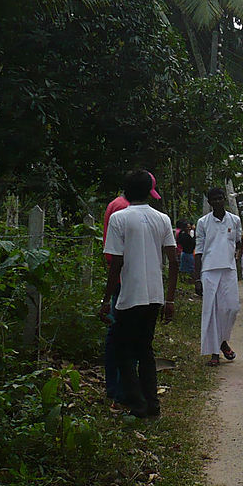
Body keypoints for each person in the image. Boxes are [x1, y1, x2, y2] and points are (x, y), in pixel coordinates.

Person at [99, 170, 177, 418]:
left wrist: (105, 301)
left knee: (124, 351)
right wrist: (170, 299)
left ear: (127, 190)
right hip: (155, 294)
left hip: (130, 295)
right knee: (145, 350)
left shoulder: (119, 219)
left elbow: (116, 264)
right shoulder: (162, 219)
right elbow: (174, 262)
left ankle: (137, 404)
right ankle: (152, 404)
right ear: (149, 192)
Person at [195, 188, 243, 367]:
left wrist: (239, 259)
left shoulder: (235, 220)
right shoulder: (203, 222)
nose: (217, 202)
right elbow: (198, 251)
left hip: (229, 269)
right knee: (211, 311)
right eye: (213, 199)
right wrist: (197, 279)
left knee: (231, 308)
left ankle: (222, 341)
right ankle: (215, 352)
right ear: (209, 202)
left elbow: (239, 243)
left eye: (219, 198)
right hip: (209, 270)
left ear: (224, 199)